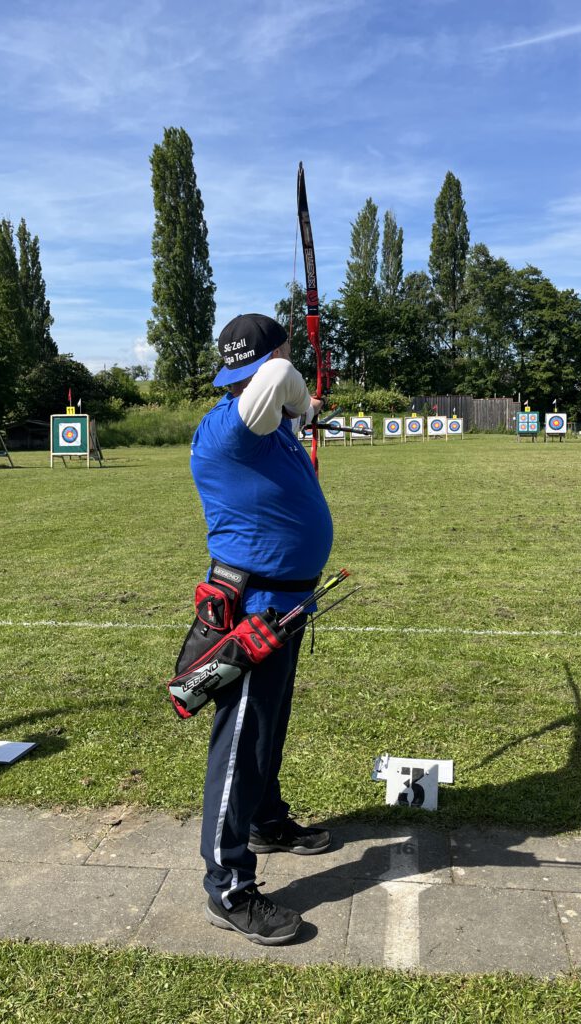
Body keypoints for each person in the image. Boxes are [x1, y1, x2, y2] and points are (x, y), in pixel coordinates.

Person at [189, 313, 333, 946]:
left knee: (267, 725)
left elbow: (277, 396)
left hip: (287, 603)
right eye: (284, 354)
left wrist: (304, 413)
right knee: (242, 738)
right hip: (254, 608)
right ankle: (227, 886)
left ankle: (265, 821)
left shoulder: (264, 426)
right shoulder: (231, 428)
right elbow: (278, 379)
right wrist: (303, 399)